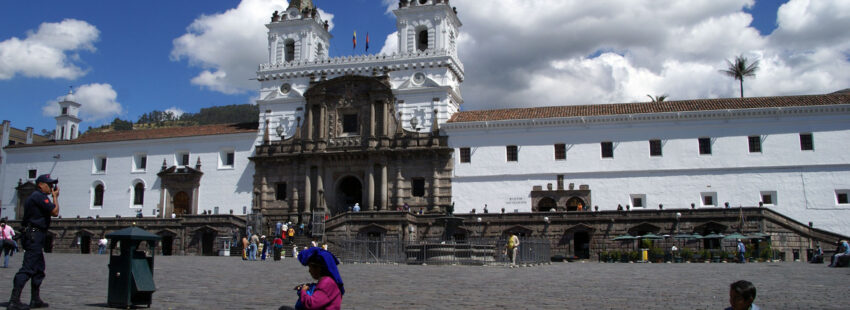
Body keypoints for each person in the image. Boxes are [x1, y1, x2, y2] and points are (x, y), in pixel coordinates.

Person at [8, 174, 60, 309]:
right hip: (34, 236)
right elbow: (54, 212)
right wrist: (55, 197)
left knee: (38, 269)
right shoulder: (39, 196)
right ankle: (14, 300)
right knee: (28, 268)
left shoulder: (37, 196)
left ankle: (35, 299)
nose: (51, 187)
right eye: (49, 185)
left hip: (35, 235)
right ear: (41, 185)